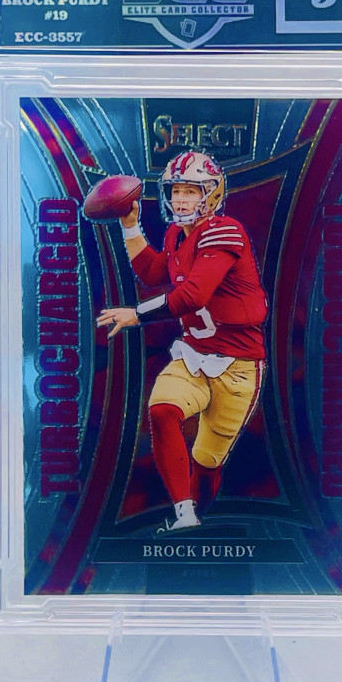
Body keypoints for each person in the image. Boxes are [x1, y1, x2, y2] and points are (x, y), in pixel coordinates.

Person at [96, 151, 268, 532]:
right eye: (176, 191)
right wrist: (130, 226)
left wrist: (136, 314)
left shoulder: (226, 231)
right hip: (194, 353)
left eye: (191, 191)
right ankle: (183, 514)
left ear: (213, 193)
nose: (180, 200)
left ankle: (198, 518)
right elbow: (152, 271)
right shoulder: (177, 234)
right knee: (162, 411)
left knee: (207, 463)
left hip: (238, 366)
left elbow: (193, 296)